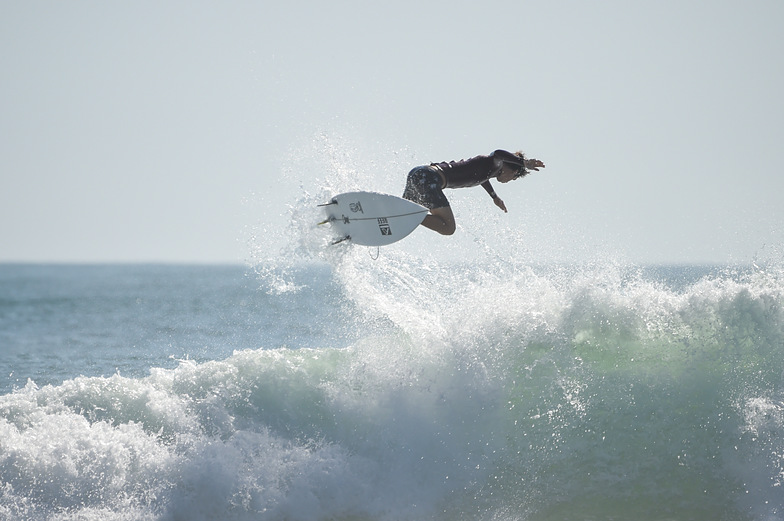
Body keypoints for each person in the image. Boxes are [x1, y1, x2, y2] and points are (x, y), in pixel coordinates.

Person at [402, 149, 545, 235]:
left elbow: (482, 179)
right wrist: (525, 163)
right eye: (513, 177)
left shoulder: (487, 172)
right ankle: (407, 216)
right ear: (512, 170)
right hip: (429, 179)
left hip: (420, 174)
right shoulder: (493, 163)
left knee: (399, 211)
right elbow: (498, 153)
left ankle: (392, 214)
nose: (510, 181)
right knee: (448, 227)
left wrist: (494, 197)